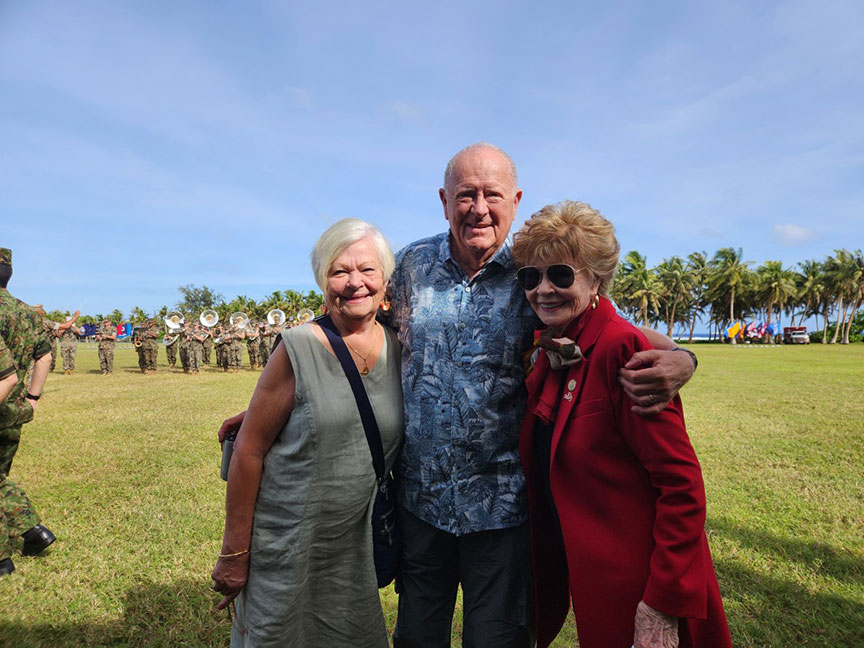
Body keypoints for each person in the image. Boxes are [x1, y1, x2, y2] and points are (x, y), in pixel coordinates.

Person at [219, 144, 697, 646]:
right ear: (444, 200)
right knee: (418, 637)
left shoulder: (537, 272)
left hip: (504, 507)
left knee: (498, 639)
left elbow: (612, 327)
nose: (479, 208)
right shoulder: (408, 267)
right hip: (421, 501)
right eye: (465, 194)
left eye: (492, 194)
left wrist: (684, 358)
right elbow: (348, 331)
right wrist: (275, 405)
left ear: (514, 200)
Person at [512, 201, 731, 648]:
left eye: (561, 274)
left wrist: (662, 603)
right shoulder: (558, 349)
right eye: (531, 277)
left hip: (643, 588)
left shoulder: (622, 350)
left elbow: (682, 485)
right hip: (597, 584)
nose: (543, 289)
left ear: (596, 279)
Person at [211, 219, 403, 647]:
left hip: (354, 543)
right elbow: (249, 451)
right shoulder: (296, 347)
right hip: (287, 542)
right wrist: (234, 554)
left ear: (386, 280)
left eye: (367, 270)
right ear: (323, 281)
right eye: (339, 271)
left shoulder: (400, 347)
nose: (355, 282)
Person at [0, 247, 71, 575]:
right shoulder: (26, 312)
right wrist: (32, 398)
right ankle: (32, 532)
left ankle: (3, 559)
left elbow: (6, 374)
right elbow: (44, 357)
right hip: (15, 409)